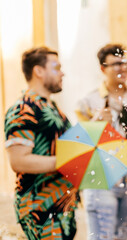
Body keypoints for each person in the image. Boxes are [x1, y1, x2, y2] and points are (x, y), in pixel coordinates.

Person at [4, 47, 78, 239]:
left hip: (62, 205)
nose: (63, 73)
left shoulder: (53, 109)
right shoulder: (23, 109)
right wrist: (66, 160)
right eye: (56, 67)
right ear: (38, 71)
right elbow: (19, 161)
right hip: (40, 208)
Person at [75, 43, 127, 240]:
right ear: (102, 68)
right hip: (102, 178)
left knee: (124, 236)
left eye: (125, 62)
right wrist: (96, 122)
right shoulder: (88, 102)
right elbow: (80, 145)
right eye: (116, 64)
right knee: (101, 236)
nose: (123, 67)